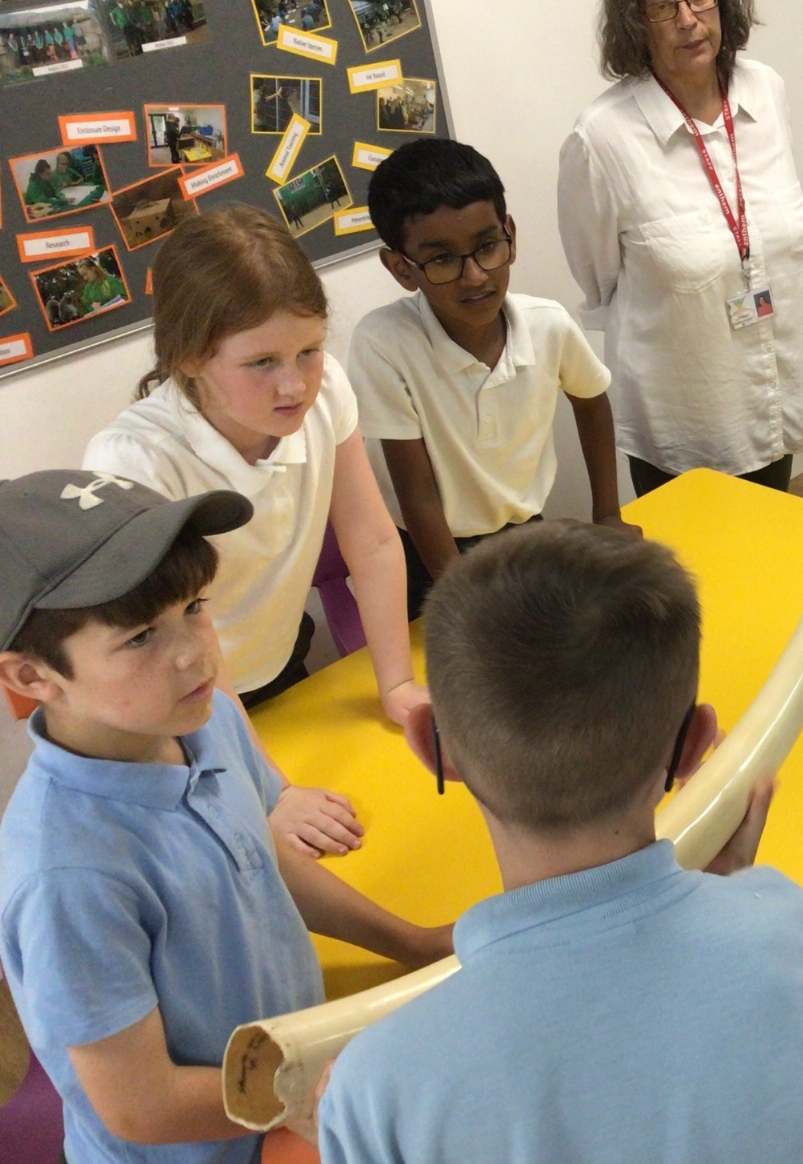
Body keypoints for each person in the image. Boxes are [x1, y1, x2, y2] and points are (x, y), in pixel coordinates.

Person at [317, 522, 803, 1162]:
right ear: (695, 746)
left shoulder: (377, 1085)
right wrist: (726, 894)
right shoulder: (790, 928)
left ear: (432, 744)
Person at [0, 471, 454, 1164]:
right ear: (33, 678)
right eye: (140, 637)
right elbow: (143, 1107)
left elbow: (260, 859)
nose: (194, 652)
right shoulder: (66, 875)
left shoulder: (203, 718)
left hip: (295, 1086)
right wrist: (326, 1092)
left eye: (194, 607)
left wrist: (413, 943)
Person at [83, 207, 423, 857]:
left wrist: (397, 684)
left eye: (308, 351)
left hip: (271, 664)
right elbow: (177, 640)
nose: (294, 384)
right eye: (261, 361)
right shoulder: (135, 462)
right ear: (190, 357)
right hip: (178, 709)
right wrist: (271, 789)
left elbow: (373, 540)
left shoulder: (326, 392)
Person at [558, 0, 803, 498]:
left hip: (777, 385)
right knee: (688, 551)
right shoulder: (602, 138)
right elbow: (598, 279)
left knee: (772, 538)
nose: (687, 19)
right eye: (663, 5)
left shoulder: (765, 89)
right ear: (635, 21)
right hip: (682, 414)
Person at [352, 139, 637, 618]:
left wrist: (607, 513)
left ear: (510, 236)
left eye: (487, 247)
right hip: (425, 552)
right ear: (401, 268)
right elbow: (417, 494)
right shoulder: (383, 344)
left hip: (523, 532)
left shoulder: (547, 324)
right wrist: (461, 597)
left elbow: (591, 401)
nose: (475, 276)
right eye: (442, 259)